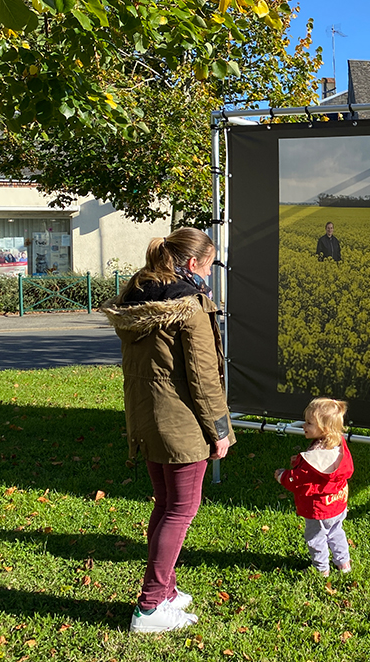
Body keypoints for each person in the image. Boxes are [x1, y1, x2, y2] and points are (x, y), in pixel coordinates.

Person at [100, 227, 235, 633]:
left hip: (146, 417)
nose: (209, 276)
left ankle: (167, 591)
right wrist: (221, 430)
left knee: (164, 504)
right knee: (180, 510)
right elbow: (203, 376)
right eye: (209, 267)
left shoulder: (137, 296)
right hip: (181, 422)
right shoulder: (190, 306)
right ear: (193, 264)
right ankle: (150, 606)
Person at [274, 398, 353, 577]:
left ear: (324, 429)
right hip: (338, 503)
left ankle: (321, 569)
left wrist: (282, 476)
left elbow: (298, 480)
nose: (304, 425)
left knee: (316, 538)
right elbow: (317, 471)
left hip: (319, 509)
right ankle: (344, 564)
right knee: (336, 532)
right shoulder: (337, 446)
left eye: (309, 423)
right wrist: (300, 462)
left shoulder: (315, 459)